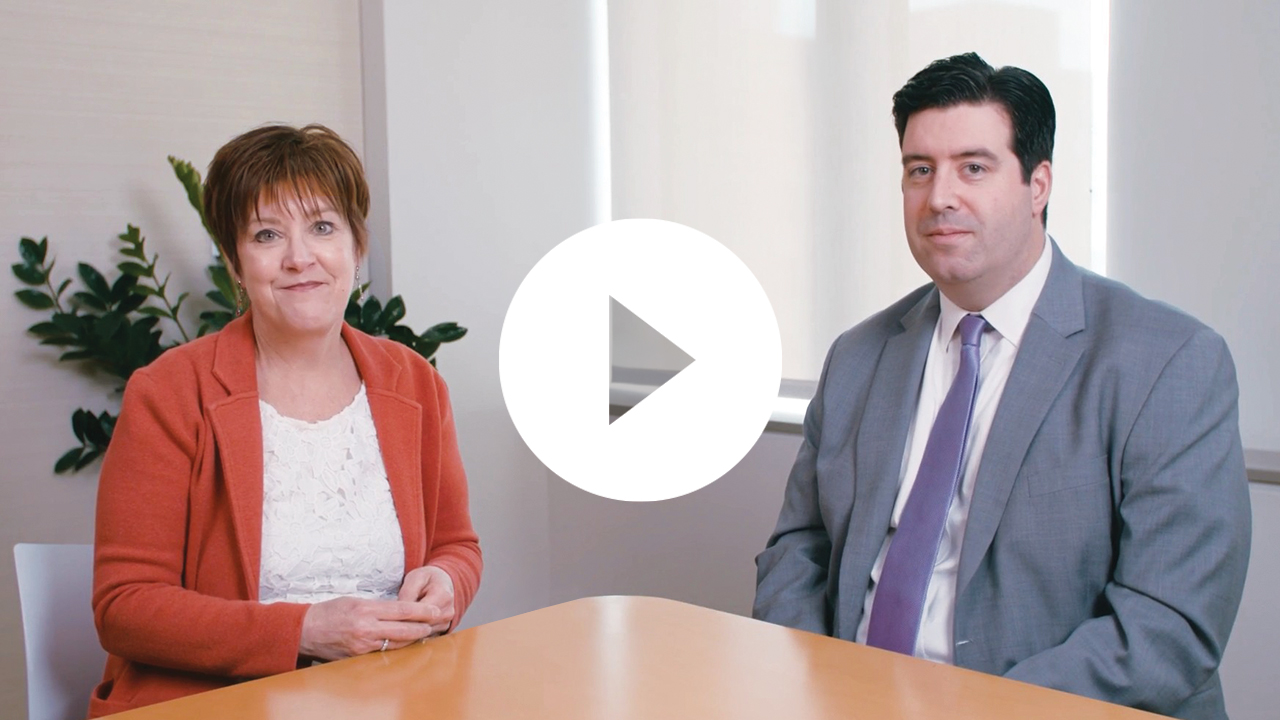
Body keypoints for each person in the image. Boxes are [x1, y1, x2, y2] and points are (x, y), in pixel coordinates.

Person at [753, 53, 1250, 719]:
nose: (940, 197)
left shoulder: (1168, 362)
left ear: (1038, 184)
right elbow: (798, 552)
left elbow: (1167, 626)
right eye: (919, 170)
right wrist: (821, 689)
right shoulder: (858, 356)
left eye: (973, 168)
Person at [90, 124, 483, 716]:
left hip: (395, 694)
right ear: (234, 262)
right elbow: (125, 606)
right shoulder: (169, 393)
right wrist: (302, 631)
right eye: (267, 234)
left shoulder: (414, 382)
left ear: (356, 246)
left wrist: (448, 581)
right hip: (217, 704)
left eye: (322, 227)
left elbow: (457, 544)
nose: (300, 258)